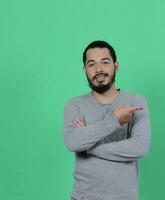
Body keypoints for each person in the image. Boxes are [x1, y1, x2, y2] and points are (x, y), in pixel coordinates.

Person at [62, 40, 151, 200]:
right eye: (91, 64)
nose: (99, 69)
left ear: (115, 66)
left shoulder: (135, 102)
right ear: (84, 70)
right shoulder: (75, 105)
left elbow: (139, 147)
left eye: (105, 62)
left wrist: (88, 146)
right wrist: (115, 120)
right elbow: (73, 143)